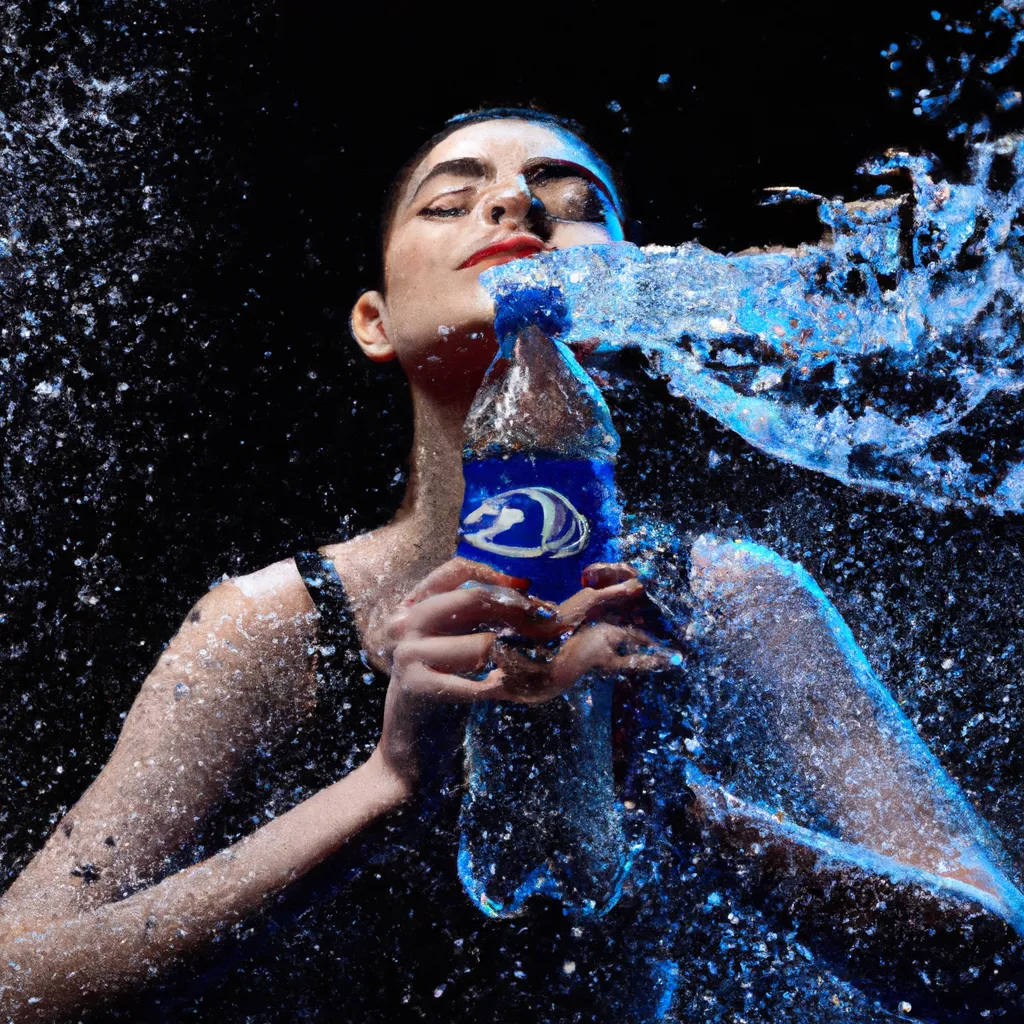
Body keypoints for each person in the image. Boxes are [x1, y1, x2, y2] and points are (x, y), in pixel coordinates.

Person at [1, 108, 1022, 1023]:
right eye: (453, 199)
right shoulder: (274, 627)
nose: (517, 203)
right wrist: (385, 785)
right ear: (374, 322)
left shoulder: (730, 599)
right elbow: (17, 980)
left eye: (577, 205)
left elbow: (996, 962)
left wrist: (686, 805)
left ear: (629, 298)